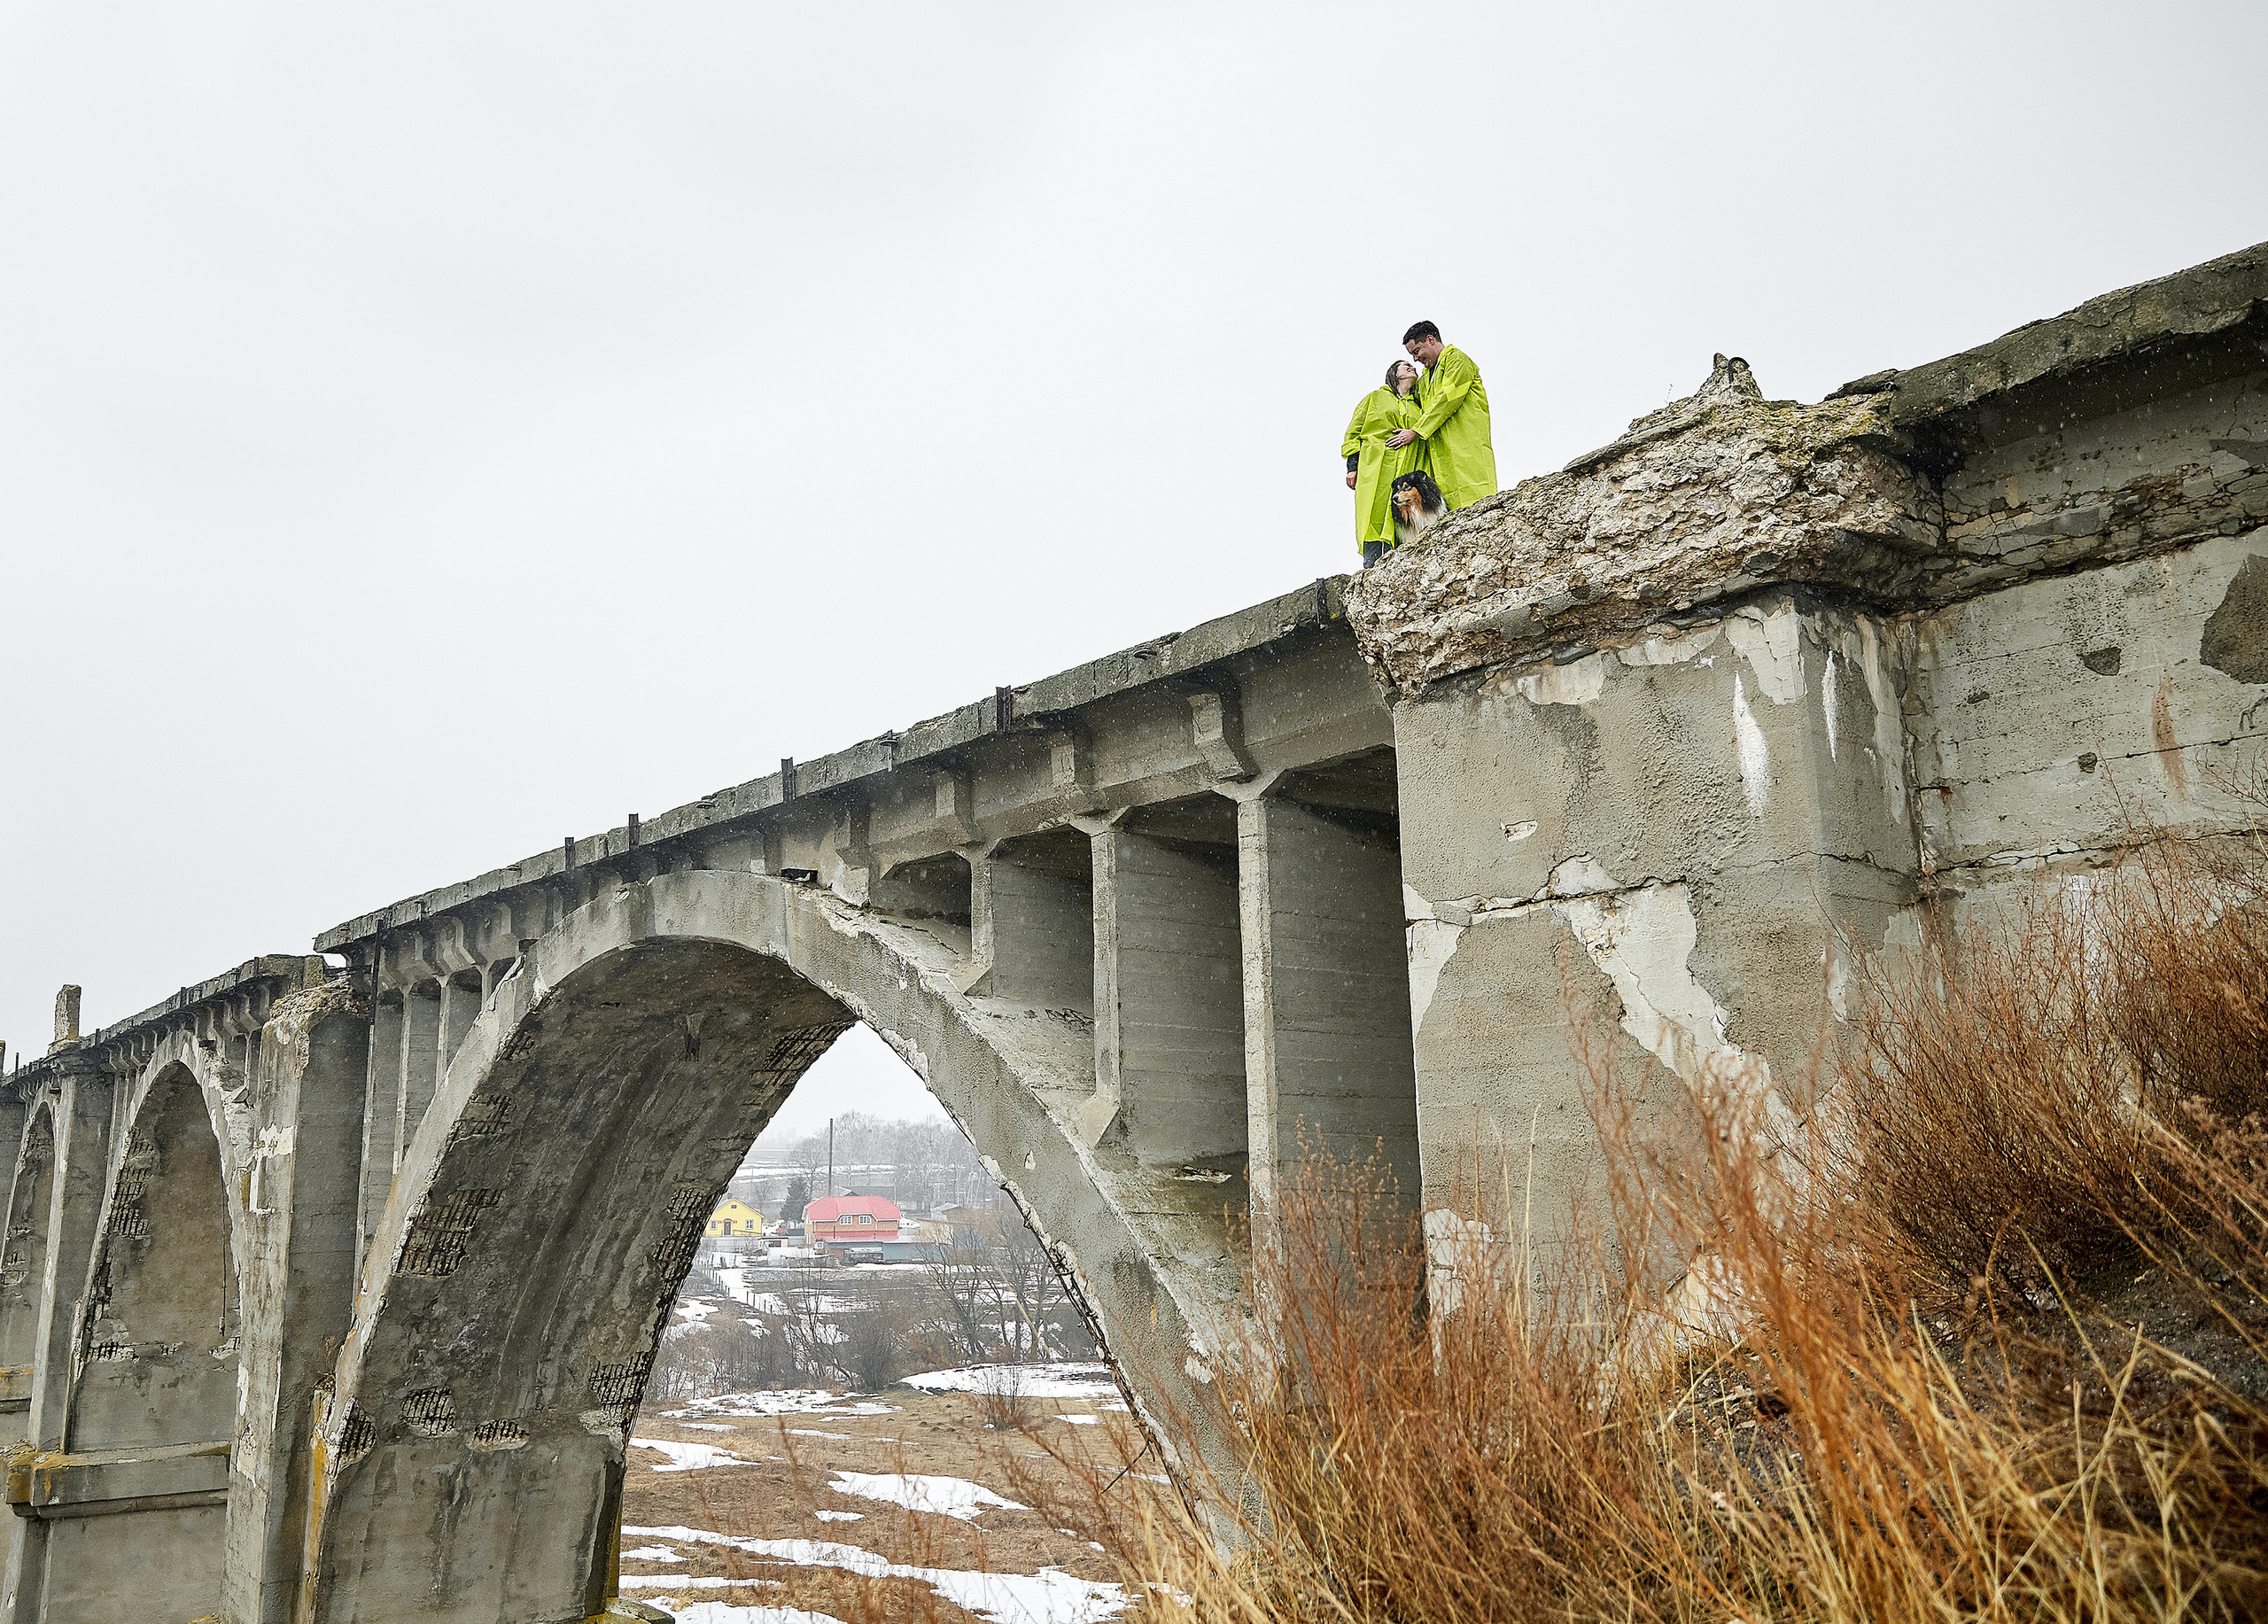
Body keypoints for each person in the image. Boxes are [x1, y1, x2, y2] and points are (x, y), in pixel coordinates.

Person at [1387, 321, 1496, 511]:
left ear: (1431, 339)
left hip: (1466, 446)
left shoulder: (1457, 360)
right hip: (1442, 453)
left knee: (1476, 501)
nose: (1415, 358)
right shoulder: (1427, 377)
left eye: (1417, 351)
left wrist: (1415, 430)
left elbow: (1448, 399)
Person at [1340, 359, 1428, 566]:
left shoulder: (1418, 404)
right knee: (1376, 514)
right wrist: (1352, 467)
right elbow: (1354, 433)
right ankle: (1372, 566)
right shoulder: (1375, 398)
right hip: (1376, 469)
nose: (1412, 367)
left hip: (1408, 466)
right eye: (1406, 366)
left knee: (1403, 517)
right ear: (1394, 374)